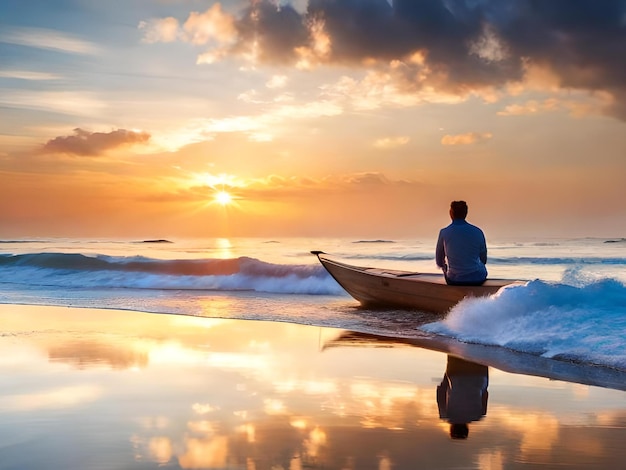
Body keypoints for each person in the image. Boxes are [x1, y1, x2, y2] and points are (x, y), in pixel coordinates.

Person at [436, 355, 489, 439]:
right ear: (452, 428)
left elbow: (485, 394)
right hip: (457, 374)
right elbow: (441, 392)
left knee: (481, 384)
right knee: (454, 352)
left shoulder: (479, 415)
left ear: (467, 428)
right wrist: (448, 376)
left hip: (479, 374)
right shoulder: (445, 415)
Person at [435, 200, 488, 286]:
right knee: (480, 267)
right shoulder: (478, 231)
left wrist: (446, 267)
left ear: (451, 213)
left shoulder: (444, 232)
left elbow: (439, 262)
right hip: (477, 279)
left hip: (454, 279)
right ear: (466, 213)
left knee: (447, 269)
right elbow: (484, 260)